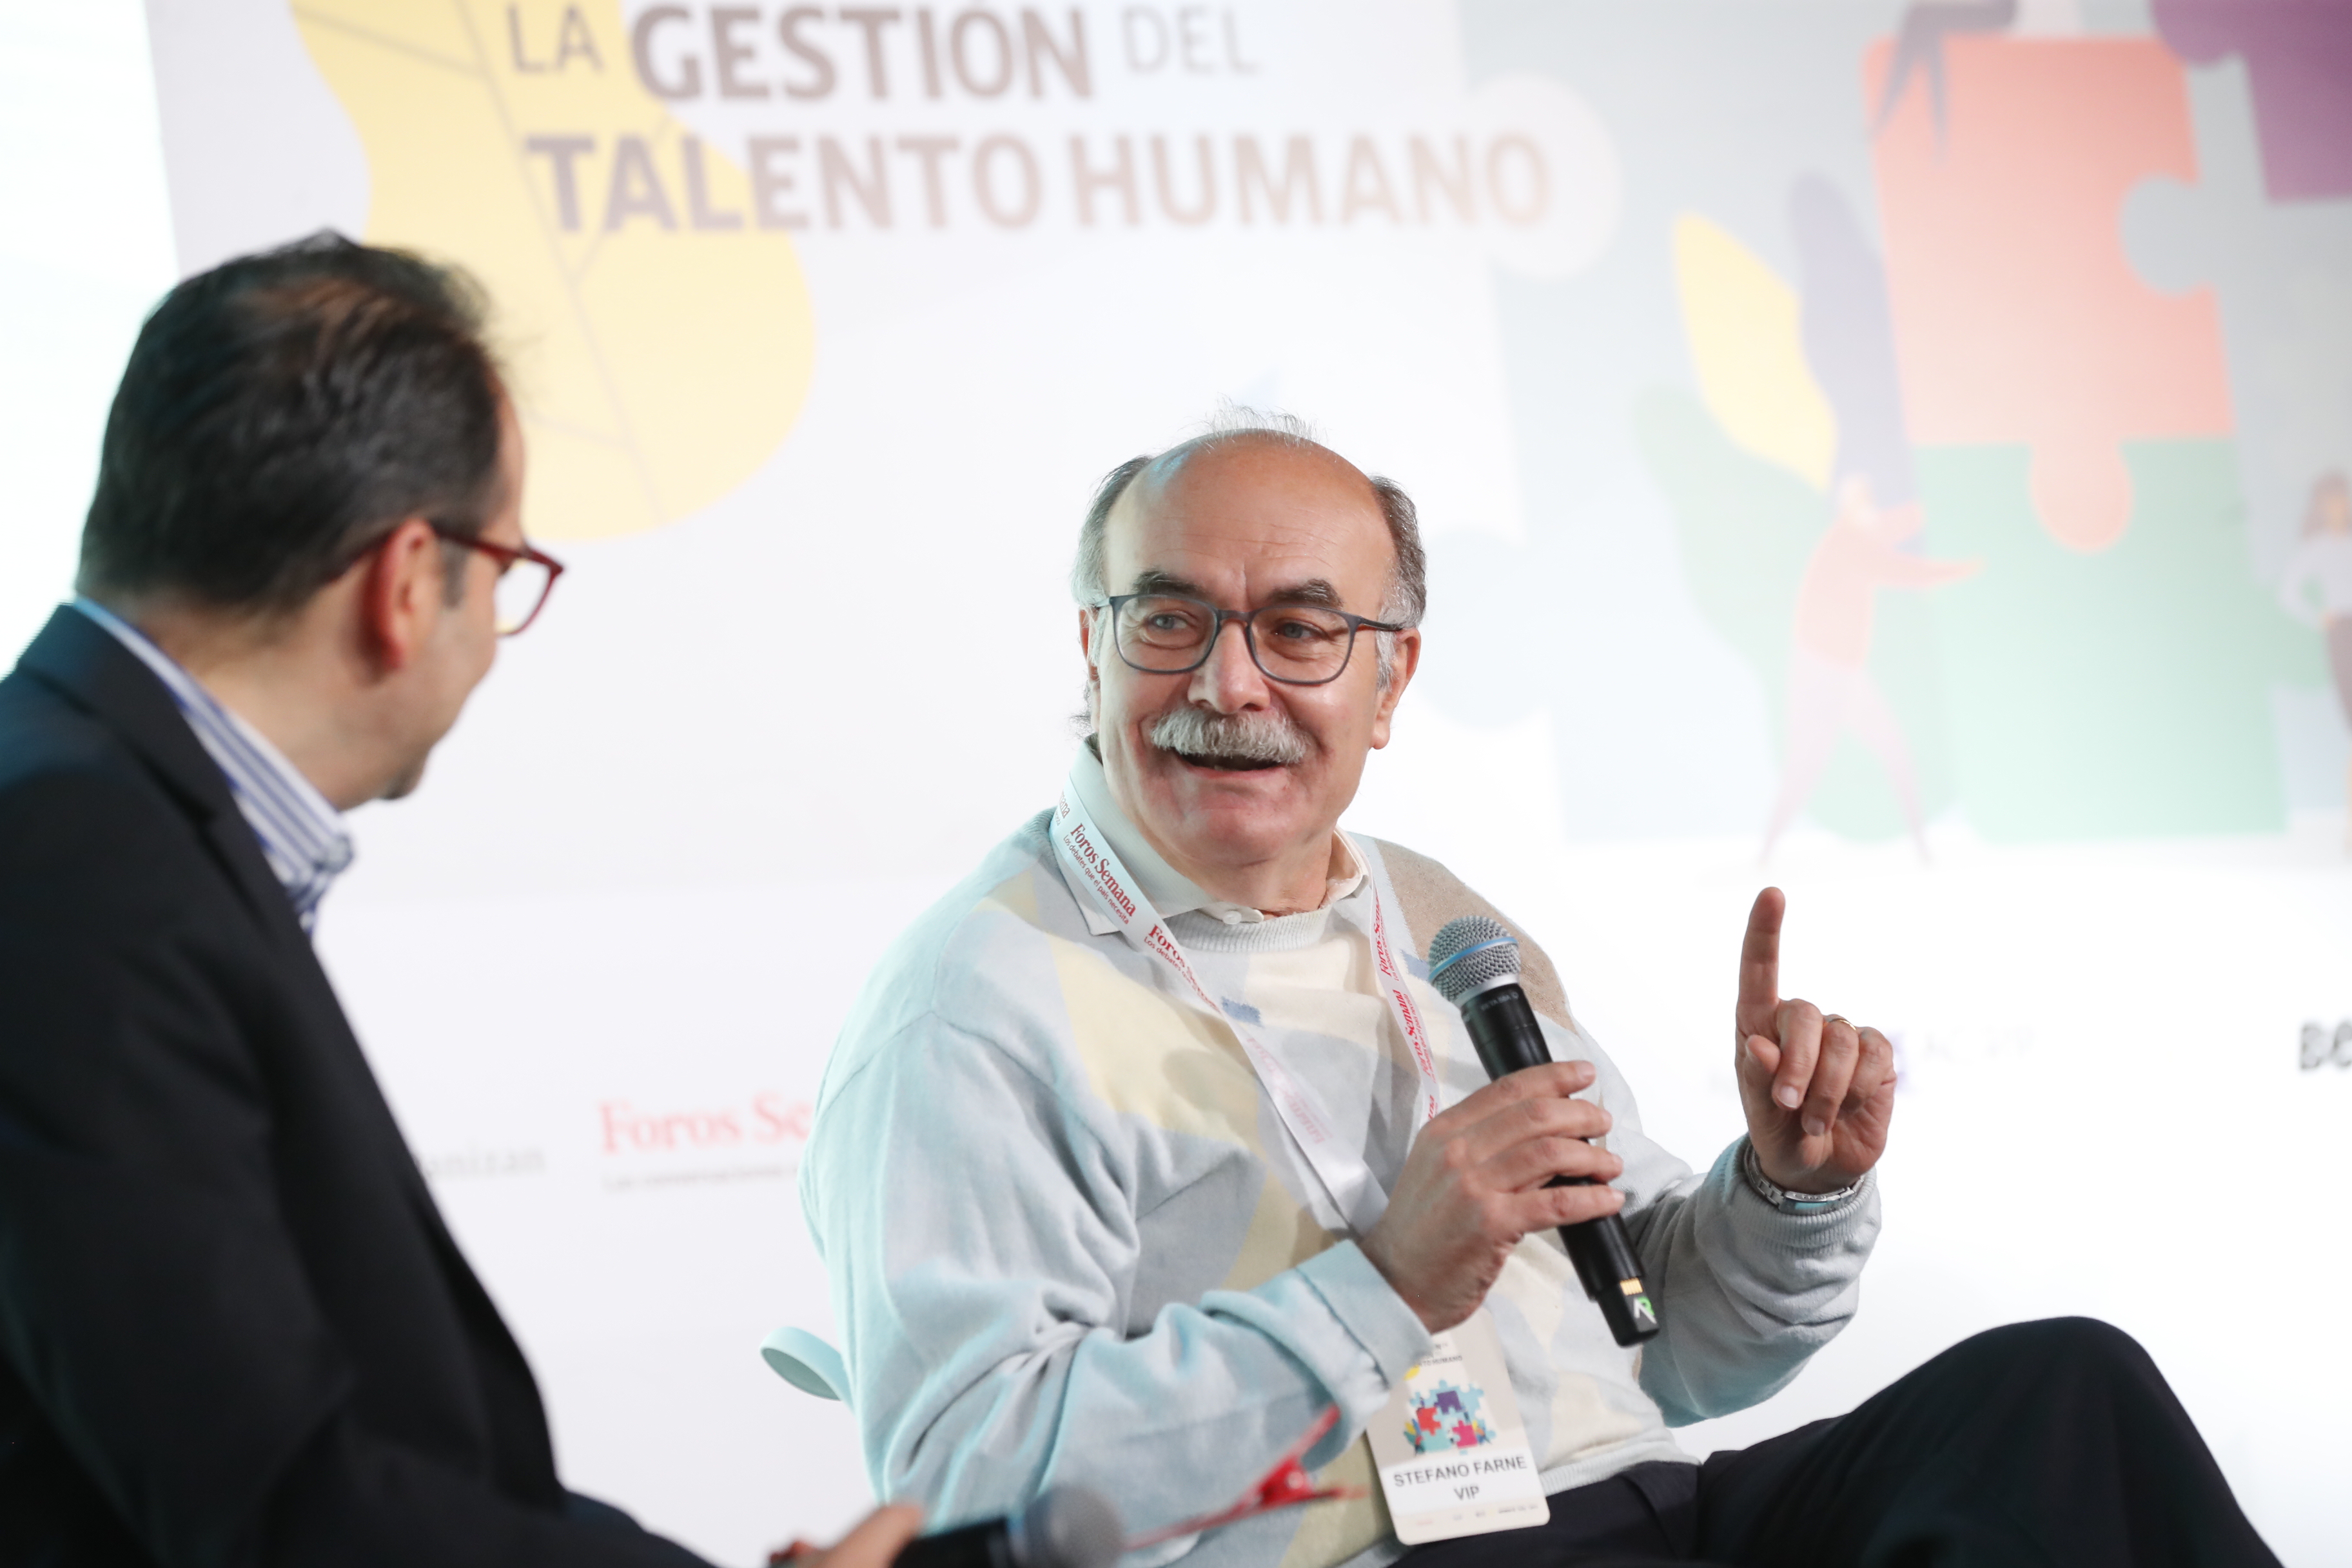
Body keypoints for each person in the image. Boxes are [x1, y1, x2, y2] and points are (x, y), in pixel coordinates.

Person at [801, 411, 2278, 1567]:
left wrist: (1783, 1190)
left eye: (1302, 630)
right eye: (1171, 618)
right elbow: (960, 1487)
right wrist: (1376, 1287)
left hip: (1618, 1503)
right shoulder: (981, 997)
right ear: (1093, 643)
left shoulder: (1432, 917)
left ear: (1392, 680)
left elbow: (1669, 1346)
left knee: (2059, 1406)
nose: (1231, 683)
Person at [0, 234, 922, 1568]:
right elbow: (276, 1507)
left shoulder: (92, 806)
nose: (494, 627)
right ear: (405, 581)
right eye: (504, 572)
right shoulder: (77, 859)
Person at [1759, 475, 1977, 862]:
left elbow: (1895, 525)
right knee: (1808, 764)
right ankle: (1766, 850)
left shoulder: (1858, 536)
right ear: (1848, 510)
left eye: (1871, 503)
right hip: (1825, 674)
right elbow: (1905, 571)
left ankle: (1922, 847)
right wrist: (1964, 571)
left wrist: (1930, 507)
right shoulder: (1848, 545)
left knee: (1892, 751)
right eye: (1863, 505)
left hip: (1845, 673)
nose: (1871, 512)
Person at [2278, 469, 2352, 848]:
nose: (2338, 507)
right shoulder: (2317, 548)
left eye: (2342, 498)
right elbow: (2290, 593)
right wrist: (2319, 618)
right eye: (2331, 501)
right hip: (2342, 634)